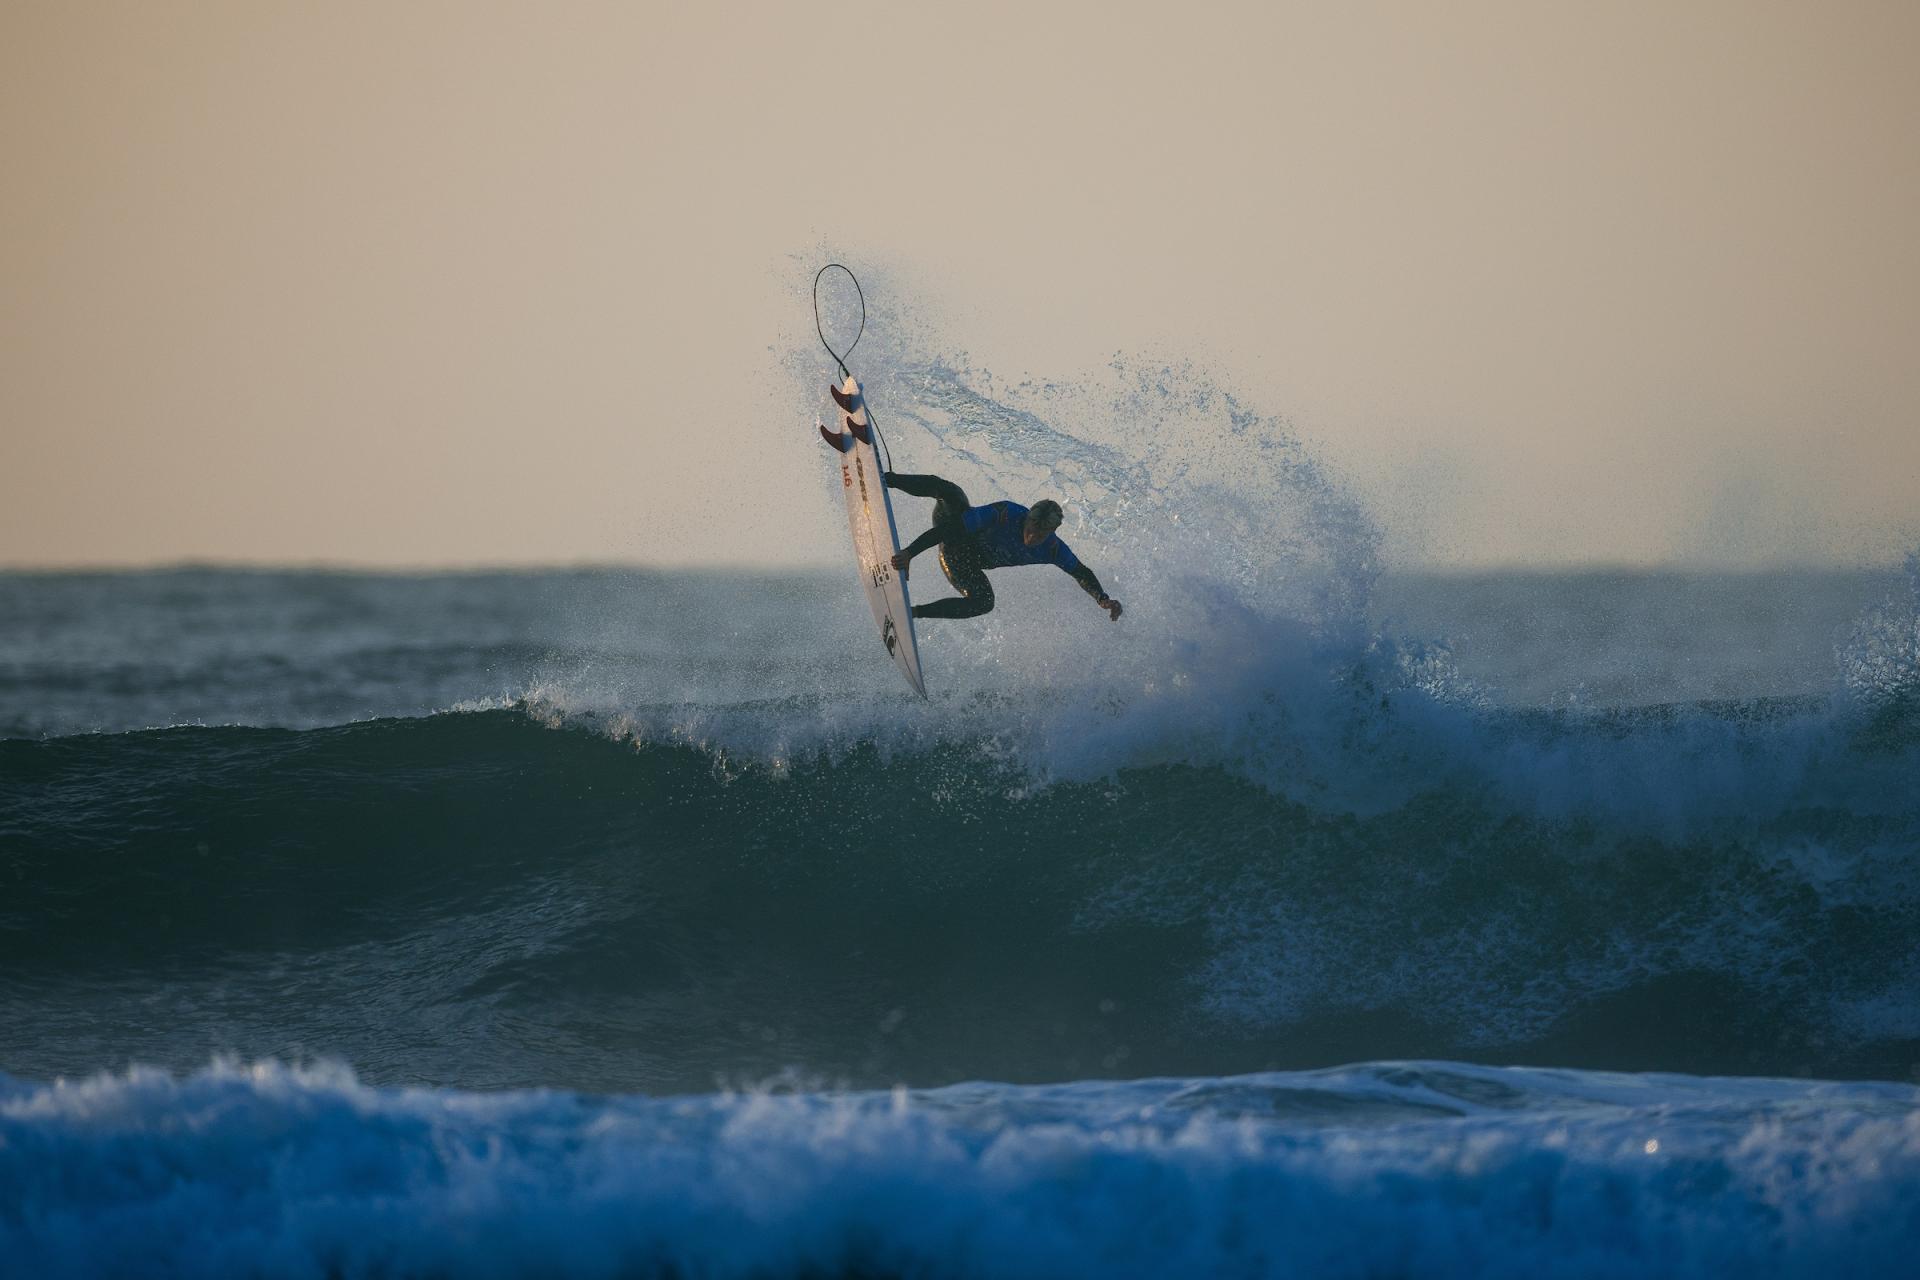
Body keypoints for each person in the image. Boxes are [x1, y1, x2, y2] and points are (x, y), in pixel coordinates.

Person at [884, 472, 1123, 622]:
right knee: (952, 493)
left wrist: (1102, 598)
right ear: (1027, 517)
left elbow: (1081, 572)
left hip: (964, 563)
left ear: (1052, 533)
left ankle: (912, 613)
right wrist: (910, 553)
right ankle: (888, 479)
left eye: (1040, 534)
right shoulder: (1006, 513)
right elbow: (951, 530)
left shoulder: (1053, 549)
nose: (1031, 537)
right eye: (1030, 528)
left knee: (984, 602)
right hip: (953, 531)